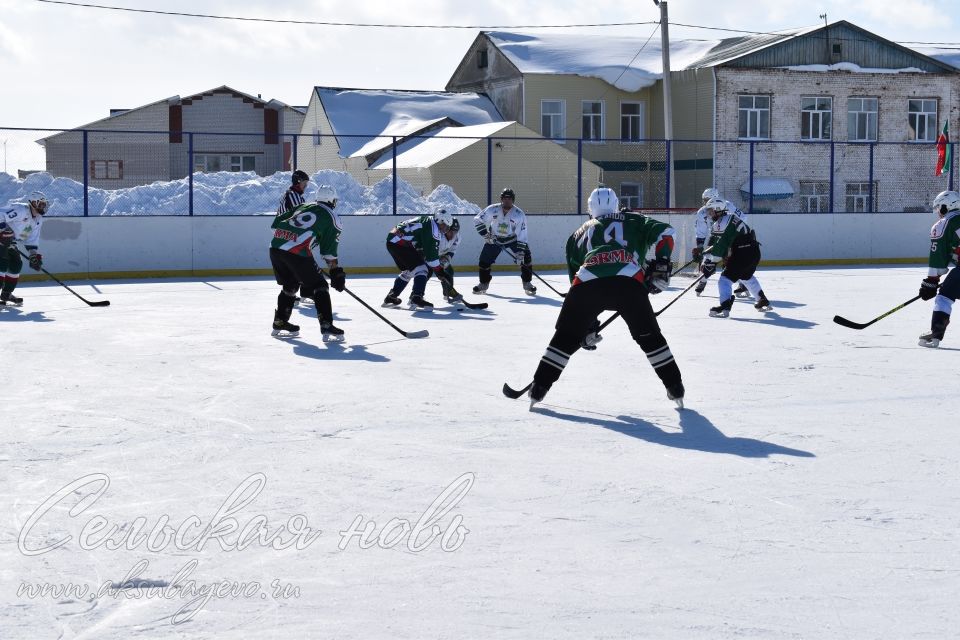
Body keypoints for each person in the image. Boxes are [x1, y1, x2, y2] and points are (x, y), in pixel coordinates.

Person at [526, 186, 685, 408]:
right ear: (616, 204)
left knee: (564, 339)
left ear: (590, 209)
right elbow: (667, 233)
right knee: (650, 338)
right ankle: (675, 388)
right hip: (629, 283)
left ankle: (539, 389)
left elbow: (575, 279)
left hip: (587, 283)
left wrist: (587, 326)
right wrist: (661, 264)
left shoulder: (577, 234)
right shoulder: (633, 219)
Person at [268, 184, 346, 342]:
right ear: (333, 201)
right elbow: (328, 253)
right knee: (320, 286)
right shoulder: (333, 218)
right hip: (297, 253)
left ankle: (280, 321)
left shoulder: (304, 205)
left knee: (290, 285)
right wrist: (335, 272)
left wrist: (290, 240)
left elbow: (275, 224)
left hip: (275, 247)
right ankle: (326, 325)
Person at [700, 197, 771, 318]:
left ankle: (725, 306)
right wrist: (707, 256)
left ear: (718, 209)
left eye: (711, 210)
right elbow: (720, 244)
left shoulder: (721, 223)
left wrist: (711, 262)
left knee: (724, 280)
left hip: (742, 253)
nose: (709, 213)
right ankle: (762, 299)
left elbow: (719, 246)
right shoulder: (730, 218)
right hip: (754, 252)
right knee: (745, 276)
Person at [383, 209, 464, 310]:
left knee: (410, 270)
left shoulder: (430, 221)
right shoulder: (433, 229)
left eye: (448, 227)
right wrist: (440, 272)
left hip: (395, 241)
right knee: (422, 269)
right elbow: (431, 259)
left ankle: (391, 296)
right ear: (439, 220)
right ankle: (416, 298)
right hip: (399, 243)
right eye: (445, 226)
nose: (445, 229)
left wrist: (439, 270)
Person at [472, 188, 536, 295]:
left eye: (509, 199)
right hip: (494, 239)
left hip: (512, 239)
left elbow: (522, 233)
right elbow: (478, 219)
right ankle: (483, 283)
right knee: (484, 261)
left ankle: (527, 283)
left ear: (513, 200)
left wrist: (520, 253)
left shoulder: (519, 214)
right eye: (505, 198)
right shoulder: (493, 209)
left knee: (526, 257)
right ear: (501, 199)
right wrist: (486, 234)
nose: (507, 201)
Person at [918, 190, 960, 347]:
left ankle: (936, 334)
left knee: (944, 297)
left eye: (939, 208)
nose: (938, 212)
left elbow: (938, 256)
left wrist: (932, 280)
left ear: (946, 206)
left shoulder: (943, 224)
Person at [693, 187, 750, 298]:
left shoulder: (728, 206)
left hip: (730, 237)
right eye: (704, 200)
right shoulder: (701, 213)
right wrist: (700, 248)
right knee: (707, 260)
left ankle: (743, 284)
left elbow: (743, 219)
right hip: (715, 236)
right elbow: (701, 232)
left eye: (707, 200)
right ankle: (702, 281)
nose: (705, 203)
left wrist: (733, 237)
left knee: (731, 262)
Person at [0, 191, 49, 306]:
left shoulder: (38, 220)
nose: (43, 206)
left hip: (10, 242)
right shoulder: (21, 210)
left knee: (16, 264)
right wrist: (3, 230)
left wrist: (33, 256)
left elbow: (31, 240)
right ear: (33, 203)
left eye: (44, 204)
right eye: (41, 204)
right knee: (2, 264)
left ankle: (6, 293)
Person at [277, 170, 312, 303]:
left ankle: (300, 293)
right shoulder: (292, 195)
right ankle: (299, 293)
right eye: (304, 182)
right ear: (298, 181)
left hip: (288, 235)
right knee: (298, 265)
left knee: (296, 266)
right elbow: (301, 216)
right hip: (288, 236)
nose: (306, 186)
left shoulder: (294, 195)